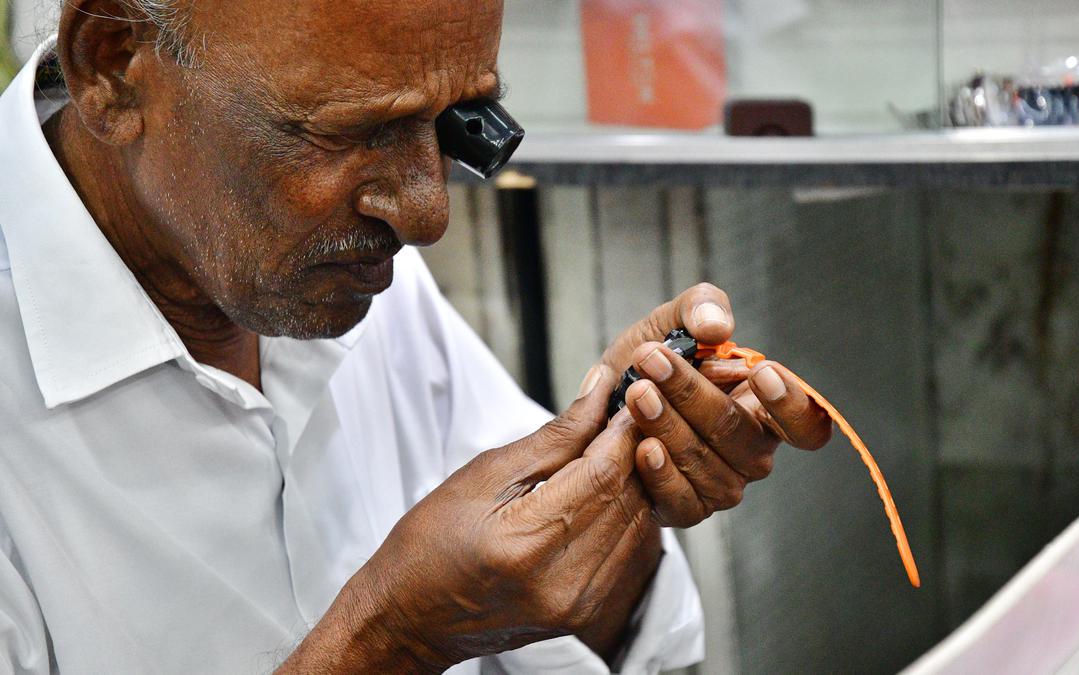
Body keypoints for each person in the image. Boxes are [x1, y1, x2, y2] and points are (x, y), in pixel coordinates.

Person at [0, 1, 832, 672]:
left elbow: (609, 645)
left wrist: (619, 478)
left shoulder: (330, 262)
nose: (428, 213)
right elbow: (431, 618)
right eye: (351, 134)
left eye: (459, 121)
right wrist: (394, 638)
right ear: (112, 64)